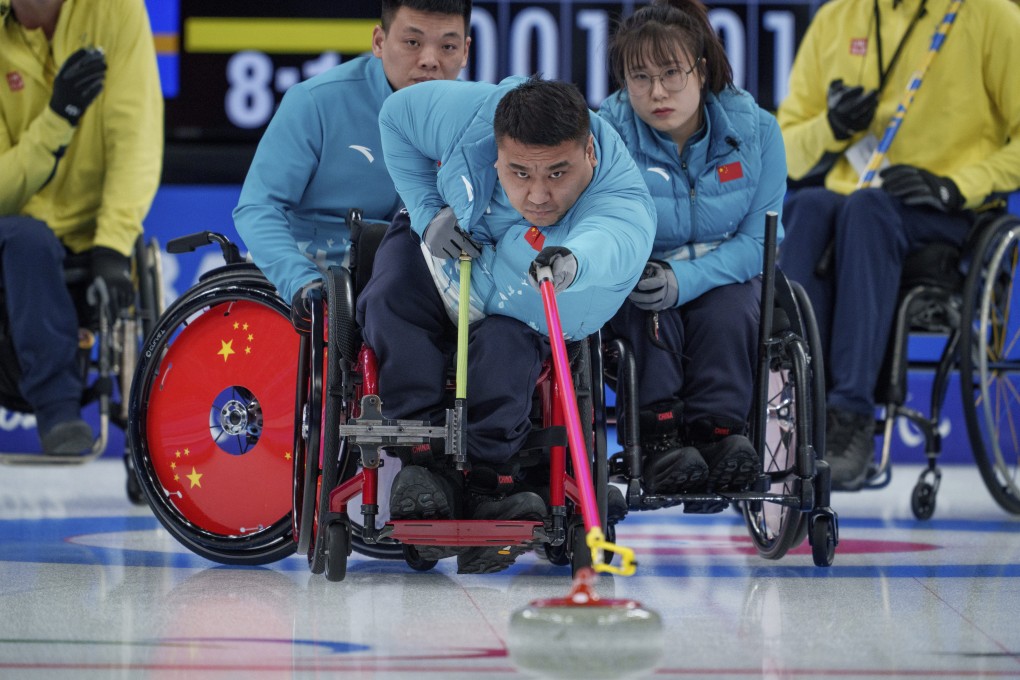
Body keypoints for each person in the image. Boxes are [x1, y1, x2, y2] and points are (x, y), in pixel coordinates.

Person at [358, 76, 656, 573]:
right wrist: (430, 213)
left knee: (506, 347)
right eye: (519, 173)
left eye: (558, 173)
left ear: (590, 153)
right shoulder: (463, 115)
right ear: (496, 154)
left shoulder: (619, 190)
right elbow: (395, 119)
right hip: (440, 254)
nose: (538, 194)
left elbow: (615, 237)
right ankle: (424, 468)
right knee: (389, 299)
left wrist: (573, 260)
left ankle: (489, 481)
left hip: (520, 301)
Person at [776, 0, 1020, 490]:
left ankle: (850, 418)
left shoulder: (993, 16)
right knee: (807, 207)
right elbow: (786, 152)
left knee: (868, 211)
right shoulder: (836, 18)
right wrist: (832, 128)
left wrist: (956, 185)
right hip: (860, 200)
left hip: (949, 212)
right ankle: (787, 411)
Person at [596, 0, 785, 501]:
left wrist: (687, 280)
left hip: (723, 274)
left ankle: (721, 436)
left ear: (700, 71)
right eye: (639, 77)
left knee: (733, 307)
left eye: (671, 74)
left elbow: (758, 243)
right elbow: (599, 228)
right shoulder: (605, 134)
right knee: (645, 306)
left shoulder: (757, 130)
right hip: (639, 275)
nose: (656, 92)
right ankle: (658, 442)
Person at [233, 0, 472, 328]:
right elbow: (258, 208)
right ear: (379, 41)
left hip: (415, 289)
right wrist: (299, 282)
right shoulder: (314, 102)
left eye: (447, 46)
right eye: (412, 42)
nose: (430, 61)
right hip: (322, 284)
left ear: (465, 51)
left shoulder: (478, 118)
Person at [0, 0, 162, 454]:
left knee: (48, 245)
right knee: (28, 240)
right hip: (15, 229)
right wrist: (57, 120)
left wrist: (112, 245)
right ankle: (59, 409)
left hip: (92, 231)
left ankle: (69, 416)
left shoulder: (118, 11)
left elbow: (136, 139)